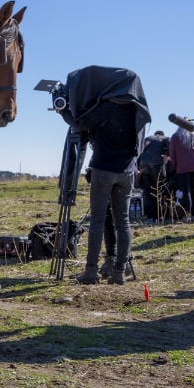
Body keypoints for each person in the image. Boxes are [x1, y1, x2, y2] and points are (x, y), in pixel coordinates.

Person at [76, 99, 144, 285]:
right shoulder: (137, 110)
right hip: (126, 170)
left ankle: (91, 271)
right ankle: (119, 272)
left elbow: (79, 123)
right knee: (123, 222)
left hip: (103, 168)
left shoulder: (102, 107)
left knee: (97, 221)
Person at [168, 118, 194, 222]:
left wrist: (174, 166)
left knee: (186, 192)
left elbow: (173, 154)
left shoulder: (175, 137)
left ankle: (187, 215)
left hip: (182, 168)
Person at [137, 130, 168, 222]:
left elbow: (140, 152)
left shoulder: (148, 138)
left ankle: (150, 217)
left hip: (144, 167)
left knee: (148, 192)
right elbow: (168, 153)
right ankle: (160, 216)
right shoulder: (164, 139)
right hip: (157, 166)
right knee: (160, 191)